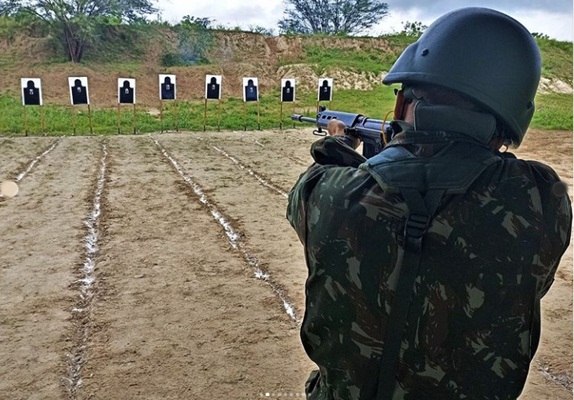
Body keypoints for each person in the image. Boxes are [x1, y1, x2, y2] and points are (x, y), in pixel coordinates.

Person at [286, 7, 572, 400]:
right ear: (510, 120)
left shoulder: (329, 193)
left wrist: (341, 145)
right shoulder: (541, 199)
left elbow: (311, 186)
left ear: (403, 102)